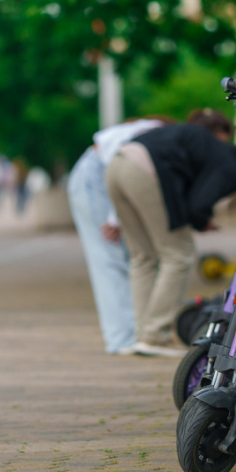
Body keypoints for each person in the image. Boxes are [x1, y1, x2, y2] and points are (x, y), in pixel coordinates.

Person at [107, 123, 236, 355]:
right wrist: (203, 221)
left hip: (117, 164)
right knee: (179, 255)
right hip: (145, 170)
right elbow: (197, 206)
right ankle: (155, 335)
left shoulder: (218, 151)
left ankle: (143, 335)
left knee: (143, 257)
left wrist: (198, 216)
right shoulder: (229, 165)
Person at [67, 117, 167, 355]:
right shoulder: (153, 131)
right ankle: (122, 338)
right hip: (95, 176)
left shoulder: (154, 130)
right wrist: (114, 217)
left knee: (123, 257)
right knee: (109, 258)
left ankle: (131, 333)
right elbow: (117, 160)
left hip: (100, 176)